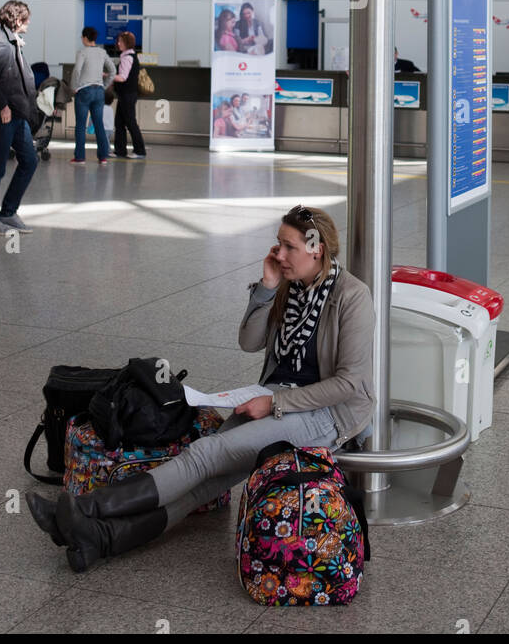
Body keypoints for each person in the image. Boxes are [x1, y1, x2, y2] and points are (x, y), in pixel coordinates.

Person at [25, 203, 375, 572]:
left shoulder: (351, 297)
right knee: (206, 482)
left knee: (206, 453)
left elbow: (348, 383)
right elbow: (249, 341)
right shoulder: (290, 288)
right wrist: (267, 288)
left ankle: (83, 509)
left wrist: (275, 402)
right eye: (278, 245)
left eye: (289, 247)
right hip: (276, 397)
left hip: (325, 413)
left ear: (316, 248)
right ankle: (99, 540)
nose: (279, 255)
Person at [0, 0, 38, 236]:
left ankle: (8, 212)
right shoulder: (1, 46)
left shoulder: (12, 43)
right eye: (26, 19)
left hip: (18, 116)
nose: (29, 23)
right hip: (3, 117)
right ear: (16, 20)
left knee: (30, 161)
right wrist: (2, 106)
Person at [70, 27, 116, 166]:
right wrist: (105, 85)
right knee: (99, 125)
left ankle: (80, 158)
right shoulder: (102, 52)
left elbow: (77, 70)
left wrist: (74, 87)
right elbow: (113, 70)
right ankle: (103, 157)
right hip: (99, 92)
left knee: (80, 126)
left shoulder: (82, 52)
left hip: (84, 91)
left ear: (85, 38)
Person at [113, 30, 145, 160]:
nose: (118, 43)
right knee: (119, 122)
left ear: (126, 43)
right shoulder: (131, 56)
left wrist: (108, 76)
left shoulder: (127, 58)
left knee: (130, 123)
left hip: (127, 95)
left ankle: (140, 150)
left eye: (120, 41)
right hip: (126, 95)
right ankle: (120, 150)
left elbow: (122, 77)